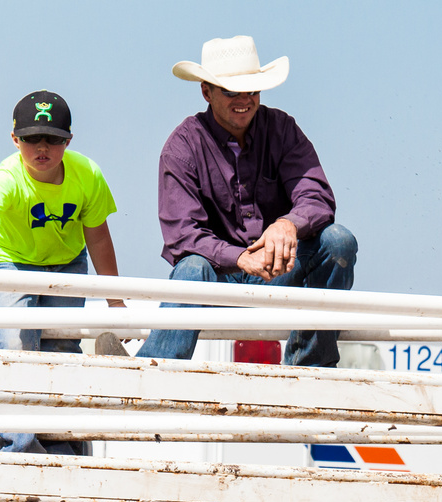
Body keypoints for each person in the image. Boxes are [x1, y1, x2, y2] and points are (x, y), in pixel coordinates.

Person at [0, 90, 125, 502]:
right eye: (31, 139)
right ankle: (18, 451)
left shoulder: (86, 175)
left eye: (52, 139)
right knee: (17, 347)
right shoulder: (7, 176)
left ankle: (57, 449)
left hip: (66, 264)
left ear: (68, 141)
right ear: (15, 140)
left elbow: (98, 237)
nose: (41, 149)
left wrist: (115, 297)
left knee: (60, 353)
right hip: (12, 262)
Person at [137, 36, 357, 367]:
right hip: (217, 280)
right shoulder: (182, 146)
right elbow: (182, 235)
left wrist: (287, 224)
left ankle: (310, 368)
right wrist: (239, 257)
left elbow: (316, 196)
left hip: (278, 268)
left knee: (338, 241)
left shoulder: (282, 129)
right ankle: (153, 371)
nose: (245, 100)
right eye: (232, 91)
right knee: (192, 267)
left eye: (252, 90)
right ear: (206, 91)